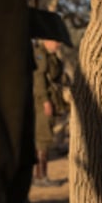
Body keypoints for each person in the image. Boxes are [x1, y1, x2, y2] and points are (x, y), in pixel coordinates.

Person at [31, 39, 68, 187]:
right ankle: (40, 177)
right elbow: (39, 79)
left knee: (44, 137)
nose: (59, 44)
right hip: (42, 103)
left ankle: (40, 175)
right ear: (47, 40)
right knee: (43, 138)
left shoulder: (51, 55)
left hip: (50, 100)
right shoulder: (40, 55)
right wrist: (45, 101)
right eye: (56, 41)